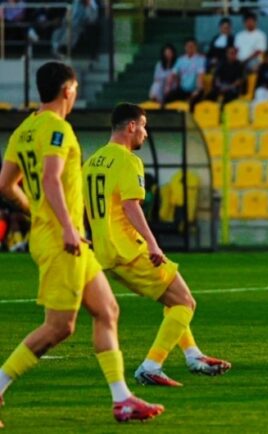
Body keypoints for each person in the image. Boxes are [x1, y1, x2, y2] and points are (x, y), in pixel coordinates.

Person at [0, 62, 163, 426]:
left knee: (107, 311)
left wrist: (36, 212)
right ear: (67, 90)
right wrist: (65, 227)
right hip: (64, 239)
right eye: (74, 90)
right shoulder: (57, 130)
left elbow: (5, 185)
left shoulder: (23, 131)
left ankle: (122, 399)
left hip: (59, 234)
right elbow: (53, 179)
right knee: (60, 327)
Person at [82, 103, 231, 387]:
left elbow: (85, 206)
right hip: (129, 248)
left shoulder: (92, 162)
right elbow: (131, 206)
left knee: (173, 301)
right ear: (131, 127)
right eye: (144, 126)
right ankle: (151, 366)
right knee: (186, 301)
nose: (146, 133)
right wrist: (153, 244)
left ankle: (193, 355)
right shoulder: (128, 161)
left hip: (105, 252)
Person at [165, 38, 206, 110]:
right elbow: (173, 75)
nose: (190, 48)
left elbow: (200, 76)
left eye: (192, 46)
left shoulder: (201, 59)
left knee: (194, 101)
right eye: (188, 46)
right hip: (183, 89)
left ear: (195, 47)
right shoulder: (180, 60)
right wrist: (168, 87)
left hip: (195, 89)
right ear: (185, 47)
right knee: (168, 97)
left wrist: (197, 90)